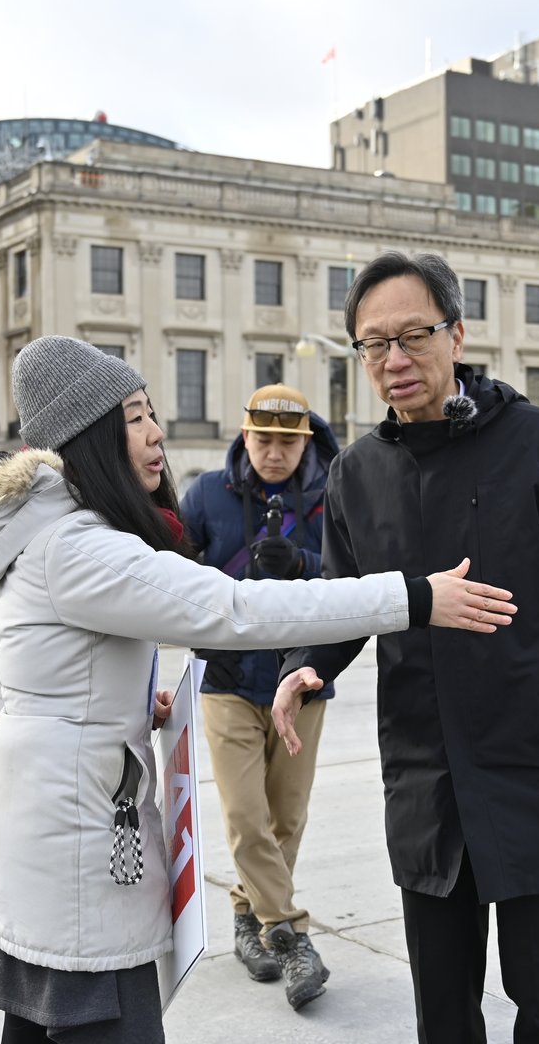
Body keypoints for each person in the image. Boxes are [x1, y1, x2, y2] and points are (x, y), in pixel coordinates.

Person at [0, 335, 518, 1044]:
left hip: (46, 829)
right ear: (90, 439)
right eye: (135, 416)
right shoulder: (78, 546)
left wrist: (124, 704)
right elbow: (237, 610)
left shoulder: (46, 533)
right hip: (75, 845)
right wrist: (415, 597)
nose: (155, 434)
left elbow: (39, 676)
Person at [270, 251, 539, 1044]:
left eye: (413, 336)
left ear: (458, 335)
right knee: (443, 1014)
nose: (394, 360)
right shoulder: (356, 475)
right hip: (426, 781)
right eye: (373, 344)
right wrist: (307, 665)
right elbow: (346, 601)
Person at [178, 383, 338, 1009]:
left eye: (287, 442)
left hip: (303, 682)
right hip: (228, 681)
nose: (274, 453)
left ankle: (248, 921)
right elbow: (173, 574)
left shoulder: (331, 497)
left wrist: (303, 562)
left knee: (285, 820)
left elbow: (360, 575)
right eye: (263, 439)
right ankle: (291, 936)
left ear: (306, 440)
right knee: (247, 819)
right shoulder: (206, 497)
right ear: (245, 436)